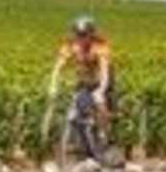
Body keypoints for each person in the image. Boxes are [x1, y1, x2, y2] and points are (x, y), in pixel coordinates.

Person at [49, 15, 117, 155]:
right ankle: (77, 139)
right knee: (78, 104)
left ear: (91, 35)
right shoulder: (71, 46)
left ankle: (104, 132)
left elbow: (104, 72)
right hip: (85, 80)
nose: (80, 38)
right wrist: (53, 85)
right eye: (78, 34)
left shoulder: (100, 47)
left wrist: (101, 90)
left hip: (103, 80)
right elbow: (58, 67)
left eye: (84, 35)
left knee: (99, 100)